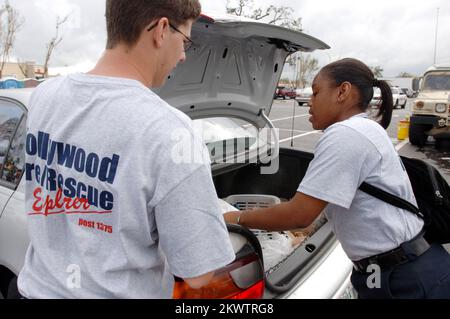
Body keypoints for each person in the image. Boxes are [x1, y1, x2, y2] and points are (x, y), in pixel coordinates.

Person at [18, 0, 235, 299]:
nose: (183, 55)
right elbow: (199, 275)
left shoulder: (44, 95)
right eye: (185, 40)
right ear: (160, 30)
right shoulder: (170, 131)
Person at [224, 58, 450, 299]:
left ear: (342, 91)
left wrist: (237, 218)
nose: (309, 103)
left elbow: (299, 214)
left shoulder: (345, 134)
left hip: (407, 278)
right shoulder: (367, 128)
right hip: (399, 268)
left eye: (316, 92)